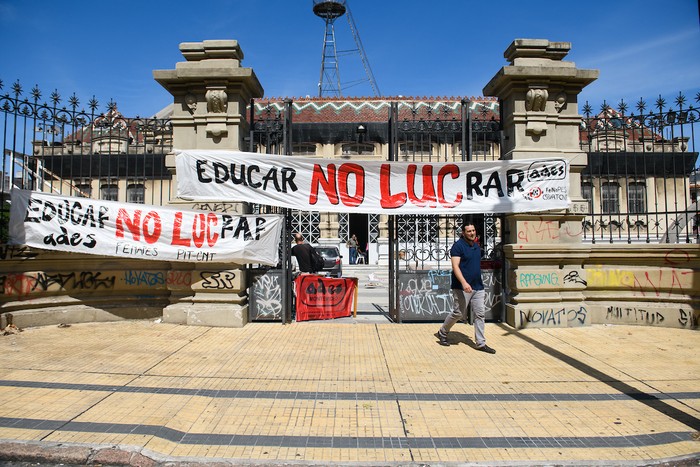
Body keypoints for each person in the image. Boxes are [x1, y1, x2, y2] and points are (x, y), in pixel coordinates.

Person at [436, 223, 495, 353]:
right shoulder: (458, 246)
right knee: (458, 313)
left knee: (480, 314)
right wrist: (464, 283)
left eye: (473, 230)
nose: (472, 233)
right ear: (463, 232)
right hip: (461, 287)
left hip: (478, 286)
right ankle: (442, 332)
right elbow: (455, 266)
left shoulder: (476, 246)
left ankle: (480, 343)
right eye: (469, 231)